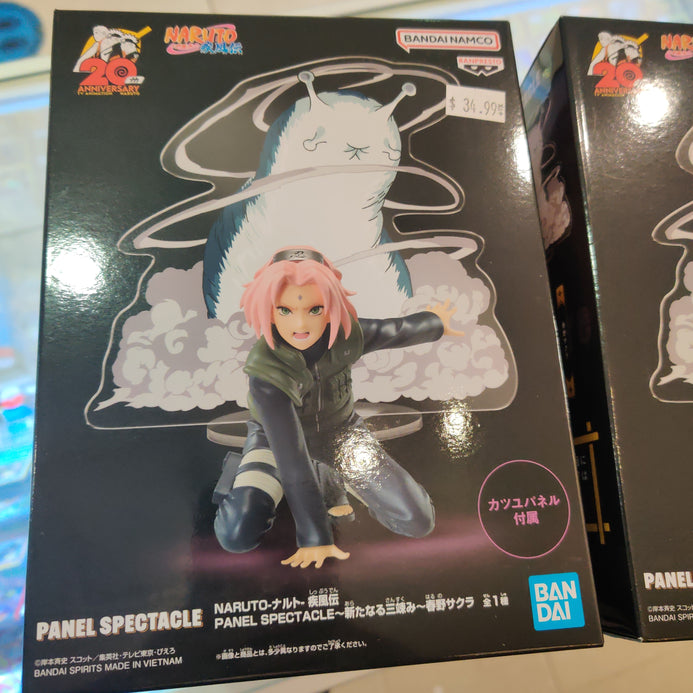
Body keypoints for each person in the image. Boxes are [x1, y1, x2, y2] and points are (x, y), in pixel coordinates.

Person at [213, 246, 462, 568]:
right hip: (274, 444)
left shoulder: (345, 334)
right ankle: (238, 470)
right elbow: (293, 462)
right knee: (237, 534)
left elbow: (393, 330)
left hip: (342, 436)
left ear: (330, 307)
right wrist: (315, 537)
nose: (300, 323)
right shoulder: (265, 372)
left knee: (417, 520)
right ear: (269, 311)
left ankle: (330, 473)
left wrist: (435, 323)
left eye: (315, 309)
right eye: (285, 310)